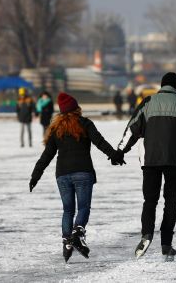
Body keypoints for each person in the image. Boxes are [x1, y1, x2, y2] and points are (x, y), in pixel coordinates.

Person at [117, 72, 176, 261]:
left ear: (162, 86)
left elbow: (132, 129)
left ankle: (146, 234)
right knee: (171, 202)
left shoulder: (148, 102)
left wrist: (121, 151)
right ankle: (166, 244)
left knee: (150, 201)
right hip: (173, 161)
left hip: (150, 160)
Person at [29, 92, 123, 263]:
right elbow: (100, 142)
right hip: (83, 172)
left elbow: (46, 155)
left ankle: (67, 242)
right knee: (83, 207)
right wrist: (115, 156)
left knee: (67, 210)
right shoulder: (85, 123)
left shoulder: (56, 129)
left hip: (63, 174)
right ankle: (78, 233)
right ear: (76, 108)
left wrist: (35, 175)